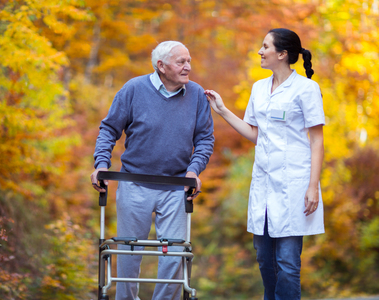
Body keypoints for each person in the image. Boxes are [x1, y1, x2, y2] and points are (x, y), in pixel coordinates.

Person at [205, 28, 325, 300]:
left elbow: (317, 142)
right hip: (264, 185)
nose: (259, 51)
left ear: (282, 54)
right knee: (264, 259)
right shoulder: (259, 89)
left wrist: (313, 186)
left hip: (295, 185)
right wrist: (222, 110)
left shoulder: (307, 89)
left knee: (287, 262)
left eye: (265, 46)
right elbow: (254, 134)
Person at [91, 41, 214, 300]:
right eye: (181, 62)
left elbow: (204, 139)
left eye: (189, 61)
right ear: (161, 65)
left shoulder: (196, 95)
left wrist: (194, 170)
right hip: (134, 183)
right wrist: (101, 164)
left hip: (176, 187)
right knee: (128, 254)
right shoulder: (134, 89)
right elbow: (109, 130)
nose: (188, 67)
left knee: (174, 257)